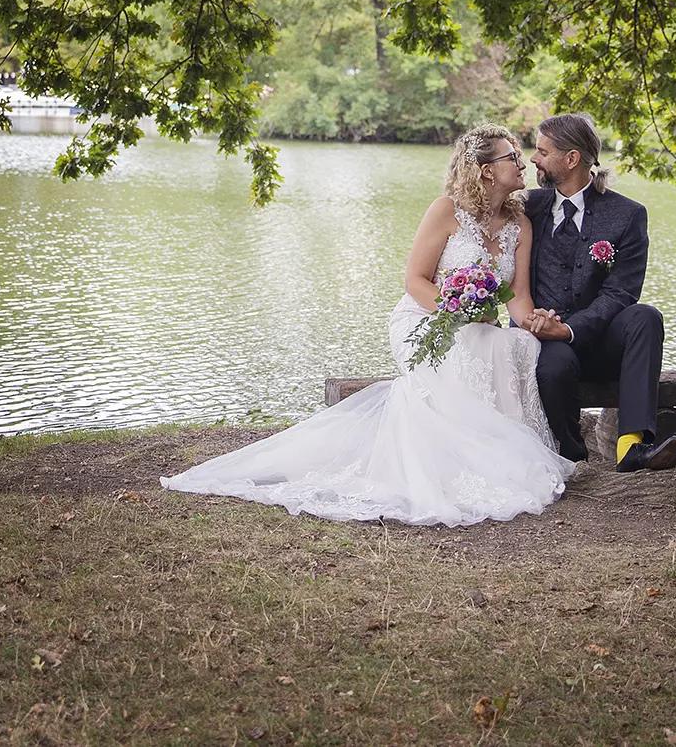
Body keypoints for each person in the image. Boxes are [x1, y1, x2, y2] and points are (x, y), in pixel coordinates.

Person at [160, 124, 575, 526]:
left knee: (516, 345)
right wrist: (455, 312)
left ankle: (492, 455)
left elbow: (518, 296)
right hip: (424, 319)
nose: (523, 163)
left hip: (476, 324)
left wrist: (533, 322)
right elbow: (415, 280)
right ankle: (456, 457)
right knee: (472, 343)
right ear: (486, 170)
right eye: (513, 157)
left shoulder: (520, 223)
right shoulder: (446, 210)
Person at [522, 112, 676, 471]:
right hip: (546, 342)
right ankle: (571, 456)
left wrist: (569, 329)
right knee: (554, 368)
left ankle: (632, 447)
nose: (533, 159)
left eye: (542, 151)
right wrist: (543, 326)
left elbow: (622, 293)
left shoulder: (626, 214)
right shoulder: (527, 207)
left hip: (602, 339)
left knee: (645, 317)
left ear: (571, 159)